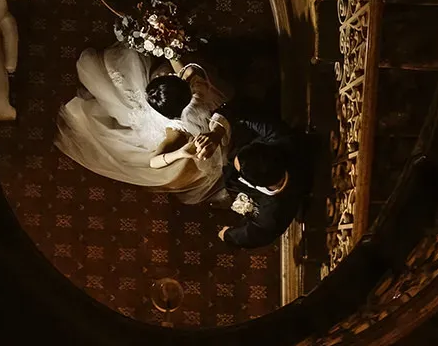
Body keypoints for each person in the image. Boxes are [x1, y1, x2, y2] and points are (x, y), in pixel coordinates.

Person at [53, 47, 229, 203]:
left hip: (175, 120)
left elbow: (154, 162)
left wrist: (180, 153)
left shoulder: (175, 132)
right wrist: (167, 43)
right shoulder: (192, 80)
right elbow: (178, 63)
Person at [214, 112, 315, 247]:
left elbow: (252, 235)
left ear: (254, 184)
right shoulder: (283, 140)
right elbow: (250, 116)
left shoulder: (271, 216)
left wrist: (227, 235)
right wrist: (219, 131)